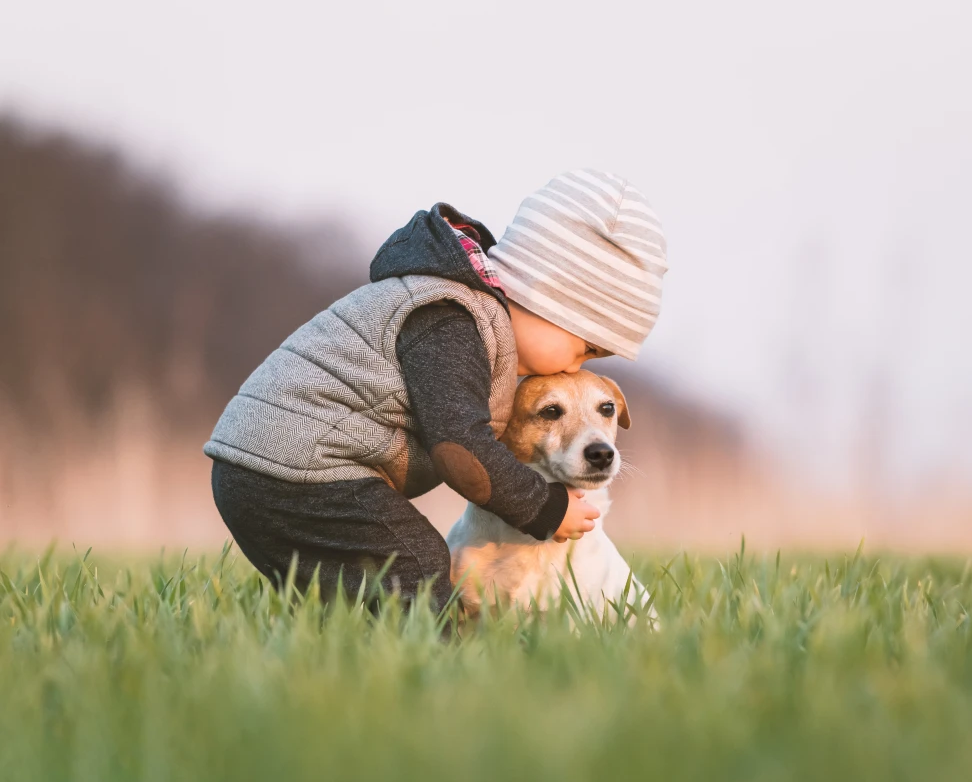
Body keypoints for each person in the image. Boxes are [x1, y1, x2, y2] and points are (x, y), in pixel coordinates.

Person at [204, 170, 667, 612]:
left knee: (357, 599)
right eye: (584, 347)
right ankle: (436, 680)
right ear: (547, 296)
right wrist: (545, 508)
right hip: (298, 467)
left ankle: (346, 668)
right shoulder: (454, 320)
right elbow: (460, 448)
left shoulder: (465, 316)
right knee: (417, 567)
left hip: (262, 469)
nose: (575, 367)